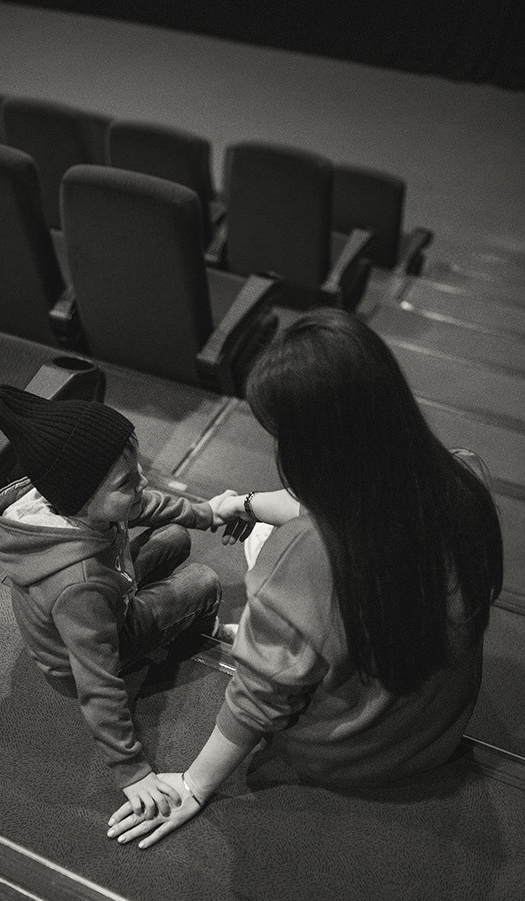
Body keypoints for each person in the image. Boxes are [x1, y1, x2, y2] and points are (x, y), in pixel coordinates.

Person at [107, 306, 504, 848]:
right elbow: (353, 505)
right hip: (437, 730)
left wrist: (195, 785)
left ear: (311, 446)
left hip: (350, 752)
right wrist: (243, 502)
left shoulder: (304, 562)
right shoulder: (465, 474)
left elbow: (258, 698)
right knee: (266, 541)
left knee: (266, 564)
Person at [0, 385, 237, 821]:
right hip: (85, 645)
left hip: (107, 584)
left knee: (174, 534)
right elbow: (96, 680)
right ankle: (205, 630)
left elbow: (143, 503)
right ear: (81, 499)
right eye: (127, 481)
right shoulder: (77, 588)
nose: (141, 483)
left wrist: (207, 512)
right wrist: (132, 771)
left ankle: (173, 609)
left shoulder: (70, 500)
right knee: (203, 581)